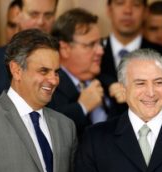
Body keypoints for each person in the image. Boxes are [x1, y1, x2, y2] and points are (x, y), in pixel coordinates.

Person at [0, 29, 77, 172]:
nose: (54, 80)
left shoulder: (66, 126)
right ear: (16, 70)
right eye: (44, 71)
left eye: (56, 72)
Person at [49, 8, 115, 140]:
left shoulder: (110, 83)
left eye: (100, 43)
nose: (101, 51)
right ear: (65, 49)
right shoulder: (49, 86)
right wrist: (82, 107)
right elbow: (48, 129)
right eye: (91, 45)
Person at [100, 0, 162, 109]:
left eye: (136, 5)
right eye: (120, 3)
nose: (127, 11)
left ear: (145, 12)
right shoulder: (92, 53)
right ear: (109, 10)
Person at [0, 0, 58, 99]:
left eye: (48, 15)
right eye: (34, 14)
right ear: (17, 14)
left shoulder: (64, 59)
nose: (41, 22)